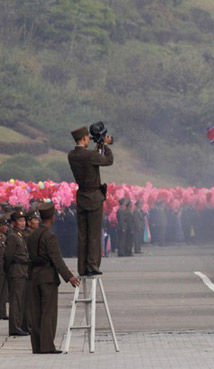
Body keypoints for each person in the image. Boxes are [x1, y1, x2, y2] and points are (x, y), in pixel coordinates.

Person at [28, 202, 79, 354]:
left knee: (35, 312)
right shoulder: (50, 236)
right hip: (47, 277)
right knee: (48, 313)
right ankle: (47, 346)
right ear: (52, 217)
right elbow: (56, 259)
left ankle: (37, 346)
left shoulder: (32, 235)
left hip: (33, 276)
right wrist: (69, 277)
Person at [68, 126, 113, 276]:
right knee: (94, 234)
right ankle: (92, 265)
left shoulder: (72, 155)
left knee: (83, 235)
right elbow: (108, 161)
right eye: (88, 137)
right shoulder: (89, 155)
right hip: (94, 197)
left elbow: (90, 157)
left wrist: (98, 146)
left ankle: (82, 267)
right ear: (84, 138)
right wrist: (104, 145)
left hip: (81, 196)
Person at [4, 210, 30, 336]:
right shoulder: (12, 236)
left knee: (21, 301)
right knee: (16, 301)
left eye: (24, 220)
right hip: (16, 271)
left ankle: (20, 325)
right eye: (20, 221)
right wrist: (9, 270)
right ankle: (15, 327)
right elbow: (8, 256)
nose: (23, 223)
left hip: (22, 272)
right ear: (14, 223)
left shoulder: (20, 235)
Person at [0, 215, 9, 320]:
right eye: (4, 225)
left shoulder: (5, 237)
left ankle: (2, 312)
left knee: (4, 292)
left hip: (4, 268)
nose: (6, 227)